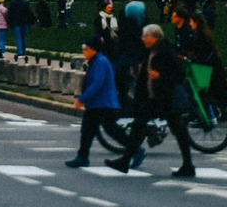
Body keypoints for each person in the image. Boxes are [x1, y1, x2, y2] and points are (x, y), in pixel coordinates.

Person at [107, 24, 194, 178]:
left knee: (178, 131)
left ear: (154, 37)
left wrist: (160, 75)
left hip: (167, 99)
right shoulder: (151, 50)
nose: (143, 39)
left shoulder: (166, 50)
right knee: (138, 126)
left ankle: (188, 165)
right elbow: (144, 77)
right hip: (154, 99)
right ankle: (125, 161)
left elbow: (179, 74)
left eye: (145, 36)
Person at [66, 35, 122, 169]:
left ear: (94, 50)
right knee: (88, 131)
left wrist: (82, 99)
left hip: (103, 104)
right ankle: (82, 156)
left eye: (86, 49)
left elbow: (97, 84)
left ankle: (135, 148)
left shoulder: (100, 62)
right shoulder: (95, 61)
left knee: (111, 130)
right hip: (97, 104)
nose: (84, 52)